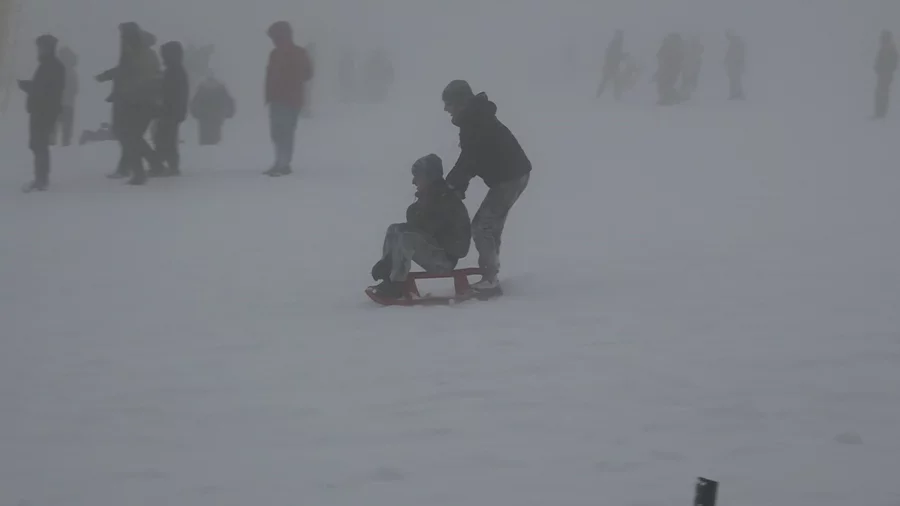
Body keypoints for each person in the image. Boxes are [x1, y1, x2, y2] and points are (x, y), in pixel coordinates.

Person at [441, 80, 532, 291]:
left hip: (511, 178)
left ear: (461, 102)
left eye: (449, 103)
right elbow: (470, 159)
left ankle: (490, 278)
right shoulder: (474, 119)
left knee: (483, 227)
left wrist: (452, 185)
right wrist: (454, 185)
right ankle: (491, 273)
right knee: (490, 227)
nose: (446, 109)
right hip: (509, 176)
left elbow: (470, 159)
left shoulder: (477, 122)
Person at [369, 154, 471, 299]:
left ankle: (395, 285)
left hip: (444, 261)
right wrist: (387, 260)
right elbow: (418, 228)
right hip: (435, 253)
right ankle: (389, 273)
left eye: (417, 176)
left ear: (429, 177)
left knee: (406, 237)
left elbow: (426, 230)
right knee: (394, 229)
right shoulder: (429, 200)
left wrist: (419, 211)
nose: (414, 181)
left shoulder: (446, 201)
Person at [97, 23, 163, 184]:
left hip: (134, 101)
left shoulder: (138, 53)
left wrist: (111, 79)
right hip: (136, 100)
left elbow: (130, 73)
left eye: (123, 35)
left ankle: (140, 170)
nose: (121, 39)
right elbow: (126, 71)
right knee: (131, 136)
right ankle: (148, 166)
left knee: (128, 135)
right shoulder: (141, 53)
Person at [264, 21, 313, 177]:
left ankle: (283, 163)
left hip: (288, 99)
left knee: (283, 132)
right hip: (282, 99)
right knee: (279, 132)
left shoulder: (294, 53)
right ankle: (281, 162)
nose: (273, 40)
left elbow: (308, 74)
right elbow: (308, 74)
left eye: (274, 37)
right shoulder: (277, 53)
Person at [18, 34, 65, 192]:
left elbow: (44, 91)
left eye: (40, 47)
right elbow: (42, 87)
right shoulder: (49, 65)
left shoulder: (51, 66)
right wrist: (29, 85)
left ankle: (41, 179)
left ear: (48, 48)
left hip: (44, 111)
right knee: (38, 145)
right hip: (42, 111)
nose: (38, 50)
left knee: (40, 145)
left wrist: (27, 87)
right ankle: (41, 177)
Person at [151, 41, 189, 177]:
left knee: (165, 138)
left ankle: (167, 167)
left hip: (171, 110)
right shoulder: (175, 69)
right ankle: (166, 166)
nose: (163, 57)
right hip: (172, 110)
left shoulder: (175, 71)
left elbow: (172, 92)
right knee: (165, 137)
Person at [190, 74, 235, 145]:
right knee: (215, 141)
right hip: (217, 118)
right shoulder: (221, 88)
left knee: (205, 141)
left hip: (203, 119)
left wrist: (195, 114)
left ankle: (205, 149)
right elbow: (229, 102)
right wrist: (229, 113)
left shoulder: (202, 88)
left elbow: (194, 103)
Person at [54, 45, 78, 147]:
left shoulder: (56, 71)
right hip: (68, 105)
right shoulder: (73, 73)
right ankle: (65, 150)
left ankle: (52, 149)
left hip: (56, 103)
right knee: (66, 134)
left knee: (53, 131)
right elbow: (76, 90)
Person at [874, 30, 898, 119]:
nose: (881, 41)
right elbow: (878, 60)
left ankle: (881, 113)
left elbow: (894, 64)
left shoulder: (891, 49)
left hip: (886, 75)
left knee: (883, 93)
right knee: (879, 93)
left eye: (883, 38)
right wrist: (877, 67)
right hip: (882, 74)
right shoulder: (883, 49)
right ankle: (878, 113)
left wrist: (886, 69)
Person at [597, 30, 624, 98]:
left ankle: (616, 97)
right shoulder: (614, 44)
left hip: (614, 66)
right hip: (611, 66)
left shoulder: (618, 44)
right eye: (618, 35)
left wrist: (622, 56)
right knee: (607, 81)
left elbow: (617, 55)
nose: (619, 36)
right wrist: (622, 56)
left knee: (615, 81)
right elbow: (612, 55)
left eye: (620, 35)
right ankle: (598, 95)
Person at [725, 30, 746, 100]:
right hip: (734, 65)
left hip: (735, 65)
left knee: (735, 80)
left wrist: (738, 62)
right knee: (736, 79)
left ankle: (736, 94)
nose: (727, 38)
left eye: (727, 36)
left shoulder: (736, 43)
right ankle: (738, 94)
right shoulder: (735, 42)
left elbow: (736, 54)